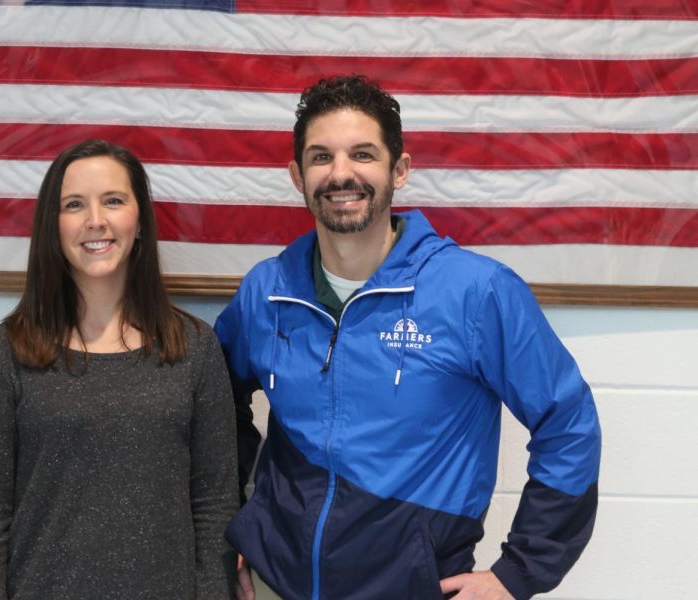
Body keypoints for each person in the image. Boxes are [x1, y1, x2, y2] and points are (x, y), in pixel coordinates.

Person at [214, 75, 601, 600]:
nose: (341, 173)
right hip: (270, 586)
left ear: (399, 170)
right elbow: (214, 408)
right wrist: (236, 528)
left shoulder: (476, 292)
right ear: (296, 175)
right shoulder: (267, 291)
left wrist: (518, 574)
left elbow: (569, 423)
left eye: (363, 154)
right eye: (321, 156)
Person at [0, 140, 239, 599]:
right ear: (54, 226)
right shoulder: (4, 354)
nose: (96, 220)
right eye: (74, 205)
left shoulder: (194, 348)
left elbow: (215, 509)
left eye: (113, 200)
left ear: (140, 221)